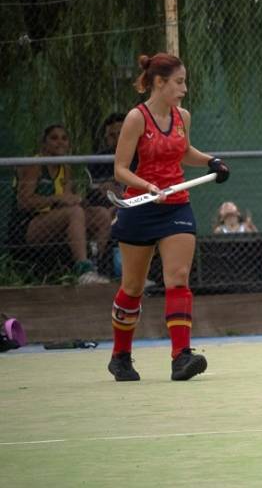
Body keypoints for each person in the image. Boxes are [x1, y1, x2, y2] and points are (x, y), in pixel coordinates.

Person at [106, 53, 230, 382]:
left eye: (184, 82)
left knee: (178, 276)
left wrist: (211, 162)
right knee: (132, 287)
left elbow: (184, 151)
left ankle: (181, 357)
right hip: (140, 206)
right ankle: (120, 356)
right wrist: (147, 184)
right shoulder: (137, 118)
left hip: (176, 204)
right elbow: (120, 168)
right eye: (178, 82)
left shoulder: (182, 117)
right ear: (159, 83)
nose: (184, 88)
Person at [12, 124, 112, 284]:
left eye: (64, 138)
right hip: (29, 225)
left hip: (57, 219)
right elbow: (24, 202)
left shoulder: (65, 167)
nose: (60, 142)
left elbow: (67, 200)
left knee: (102, 214)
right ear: (43, 143)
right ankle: (83, 271)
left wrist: (79, 200)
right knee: (74, 213)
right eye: (54, 138)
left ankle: (95, 266)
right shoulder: (34, 165)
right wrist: (58, 199)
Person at [86, 113, 127, 207]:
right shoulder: (97, 161)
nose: (117, 139)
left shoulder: (143, 155)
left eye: (121, 134)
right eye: (112, 135)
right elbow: (91, 192)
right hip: (107, 205)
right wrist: (102, 188)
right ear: (106, 137)